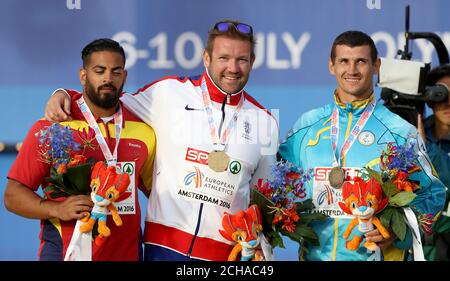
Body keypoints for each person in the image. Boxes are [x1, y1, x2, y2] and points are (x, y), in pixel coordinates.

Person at [44, 20, 279, 261]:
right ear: (206, 58)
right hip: (163, 249)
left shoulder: (266, 122)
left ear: (252, 62)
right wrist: (65, 94)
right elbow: (107, 101)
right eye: (224, 58)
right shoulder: (168, 93)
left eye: (241, 59)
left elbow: (262, 199)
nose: (233, 67)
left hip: (225, 255)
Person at [278, 30, 446, 261]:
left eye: (361, 62)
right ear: (331, 66)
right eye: (344, 61)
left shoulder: (399, 131)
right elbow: (274, 183)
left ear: (376, 66)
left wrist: (399, 233)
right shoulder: (307, 126)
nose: (352, 70)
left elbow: (434, 193)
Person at [4, 38, 156, 261]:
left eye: (116, 72)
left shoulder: (144, 130)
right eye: (99, 71)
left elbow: (158, 191)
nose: (108, 78)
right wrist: (56, 210)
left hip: (127, 254)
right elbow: (12, 195)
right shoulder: (53, 127)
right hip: (66, 253)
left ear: (124, 77)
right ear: (83, 76)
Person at [419, 64, 450, 261]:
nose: (448, 102)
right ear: (430, 100)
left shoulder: (424, 144)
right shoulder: (411, 135)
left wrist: (425, 150)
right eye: (441, 94)